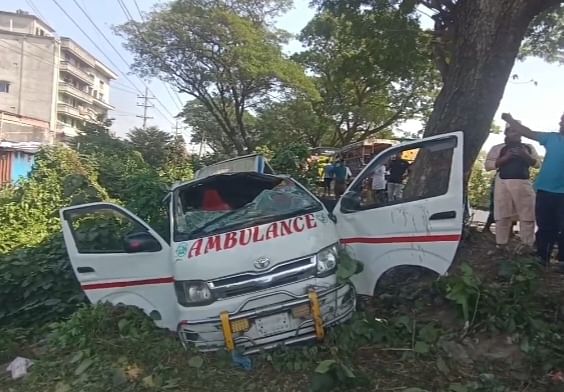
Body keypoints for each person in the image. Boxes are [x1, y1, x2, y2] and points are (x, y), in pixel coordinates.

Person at [502, 112, 564, 267]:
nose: (560, 124)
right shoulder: (552, 138)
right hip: (544, 190)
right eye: (561, 121)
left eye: (563, 122)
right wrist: (511, 120)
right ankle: (542, 257)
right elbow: (527, 132)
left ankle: (562, 261)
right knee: (545, 226)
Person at [484, 126, 540, 250]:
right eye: (513, 131)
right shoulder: (498, 148)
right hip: (502, 183)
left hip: (523, 183)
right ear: (507, 133)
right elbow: (488, 166)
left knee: (527, 216)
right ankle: (501, 245)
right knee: (502, 215)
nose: (516, 134)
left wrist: (524, 155)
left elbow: (537, 164)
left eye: (518, 132)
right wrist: (505, 158)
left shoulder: (528, 147)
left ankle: (526, 246)